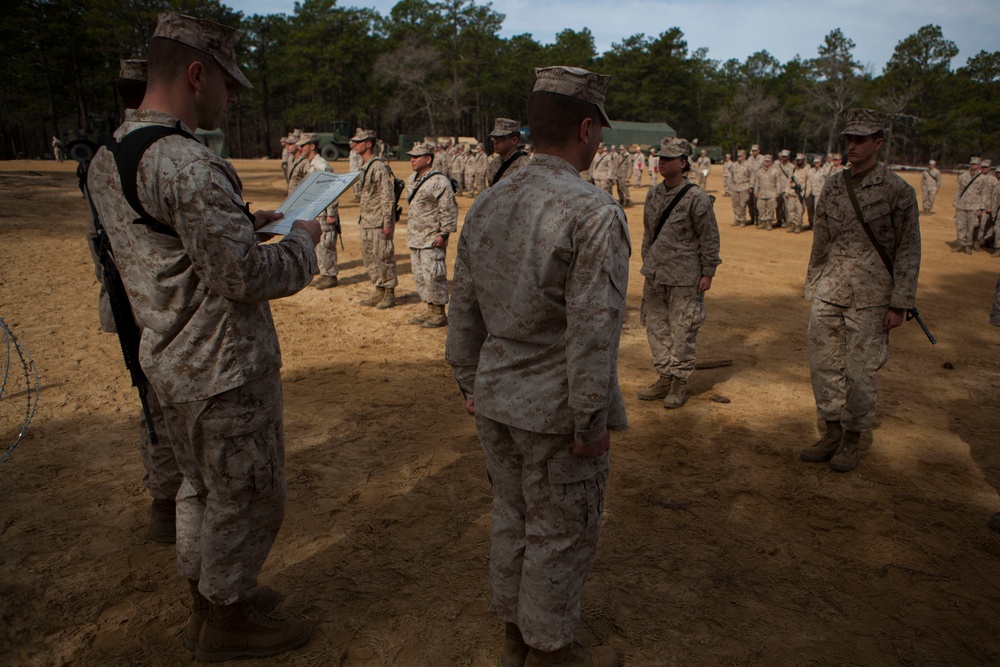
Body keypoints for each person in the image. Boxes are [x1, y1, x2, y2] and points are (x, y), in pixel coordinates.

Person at [85, 11, 319, 659]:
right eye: (228, 83)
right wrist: (302, 241)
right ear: (196, 74)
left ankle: (208, 591)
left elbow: (165, 243)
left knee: (202, 486)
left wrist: (242, 219)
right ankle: (227, 617)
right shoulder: (189, 164)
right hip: (223, 367)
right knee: (249, 493)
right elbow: (244, 275)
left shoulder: (110, 156)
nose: (233, 95)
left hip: (167, 360)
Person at [445, 65, 628, 667]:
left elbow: (462, 310)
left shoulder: (489, 202)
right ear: (585, 128)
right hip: (554, 410)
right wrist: (590, 422)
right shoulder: (592, 211)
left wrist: (469, 383)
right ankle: (548, 650)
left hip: (496, 398)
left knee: (512, 518)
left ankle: (514, 639)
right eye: (597, 130)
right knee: (561, 529)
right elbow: (592, 330)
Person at [83, 57, 182, 545]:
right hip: (167, 305)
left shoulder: (103, 156)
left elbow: (98, 240)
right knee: (174, 404)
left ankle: (164, 502)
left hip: (127, 300)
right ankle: (176, 501)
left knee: (151, 403)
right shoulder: (169, 156)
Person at [801, 108, 921, 473]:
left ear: (878, 143)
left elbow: (908, 249)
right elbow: (821, 239)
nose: (851, 145)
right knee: (823, 367)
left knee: (859, 371)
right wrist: (814, 284)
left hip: (872, 297)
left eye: (860, 139)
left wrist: (900, 303)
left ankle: (853, 439)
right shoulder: (834, 185)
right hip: (830, 290)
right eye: (848, 139)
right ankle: (831, 432)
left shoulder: (897, 190)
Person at [636, 137, 721, 409]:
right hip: (657, 274)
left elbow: (709, 237)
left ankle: (679, 383)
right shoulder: (653, 194)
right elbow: (649, 233)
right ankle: (664, 376)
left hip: (686, 277)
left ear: (683, 163)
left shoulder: (696, 197)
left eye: (668, 158)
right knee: (656, 328)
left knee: (683, 330)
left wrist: (708, 272)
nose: (661, 162)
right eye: (660, 157)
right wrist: (647, 263)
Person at [403, 142, 458, 328]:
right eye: (411, 156)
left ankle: (439, 313)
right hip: (415, 237)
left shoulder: (439, 181)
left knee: (434, 275)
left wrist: (444, 233)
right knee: (420, 276)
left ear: (428, 159)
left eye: (416, 156)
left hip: (431, 238)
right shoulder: (412, 179)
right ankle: (429, 309)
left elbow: (448, 209)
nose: (412, 159)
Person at [353, 128, 399, 308]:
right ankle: (379, 288)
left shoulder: (378, 166)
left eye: (358, 142)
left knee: (383, 256)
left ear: (369, 143)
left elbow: (387, 197)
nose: (354, 145)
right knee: (369, 257)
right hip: (366, 221)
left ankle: (389, 292)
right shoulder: (365, 167)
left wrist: (387, 222)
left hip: (379, 222)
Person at [297, 132, 341, 289]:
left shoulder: (322, 165)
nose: (299, 148)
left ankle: (330, 275)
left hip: (324, 212)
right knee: (319, 244)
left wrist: (331, 213)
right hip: (314, 212)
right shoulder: (311, 164)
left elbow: (332, 190)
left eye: (303, 145)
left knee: (326, 243)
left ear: (312, 146)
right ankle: (323, 272)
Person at [953, 157, 986, 255]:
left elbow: (983, 194)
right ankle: (960, 243)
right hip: (962, 205)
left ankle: (968, 245)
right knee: (960, 226)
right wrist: (955, 203)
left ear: (979, 166)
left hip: (974, 206)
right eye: (972, 164)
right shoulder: (963, 176)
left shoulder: (982, 178)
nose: (973, 166)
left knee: (970, 227)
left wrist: (981, 207)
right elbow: (958, 190)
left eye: (975, 164)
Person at [487, 118, 530, 186]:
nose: (495, 142)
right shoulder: (494, 163)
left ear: (514, 140)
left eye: (500, 138)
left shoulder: (525, 164)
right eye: (494, 138)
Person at [751, 154, 781, 230]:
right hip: (761, 193)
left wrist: (778, 192)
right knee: (761, 208)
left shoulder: (775, 171)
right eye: (765, 161)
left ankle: (769, 223)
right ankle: (762, 222)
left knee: (771, 209)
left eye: (768, 161)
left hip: (771, 193)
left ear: (771, 161)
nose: (767, 163)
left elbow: (778, 183)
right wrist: (756, 192)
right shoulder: (759, 171)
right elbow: (757, 183)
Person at [730, 149, 751, 227]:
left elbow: (751, 176)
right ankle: (737, 219)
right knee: (735, 204)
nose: (739, 157)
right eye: (738, 156)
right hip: (735, 187)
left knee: (742, 204)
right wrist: (731, 186)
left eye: (741, 156)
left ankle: (742, 219)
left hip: (744, 187)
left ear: (745, 156)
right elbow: (731, 176)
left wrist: (750, 186)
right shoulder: (734, 165)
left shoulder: (748, 165)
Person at [804, 156, 826, 230]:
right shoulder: (811, 171)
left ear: (821, 163)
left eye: (818, 162)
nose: (816, 164)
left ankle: (817, 225)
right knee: (809, 209)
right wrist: (807, 193)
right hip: (810, 192)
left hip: (819, 192)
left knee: (817, 209)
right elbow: (808, 181)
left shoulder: (824, 171)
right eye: (815, 162)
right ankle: (811, 223)